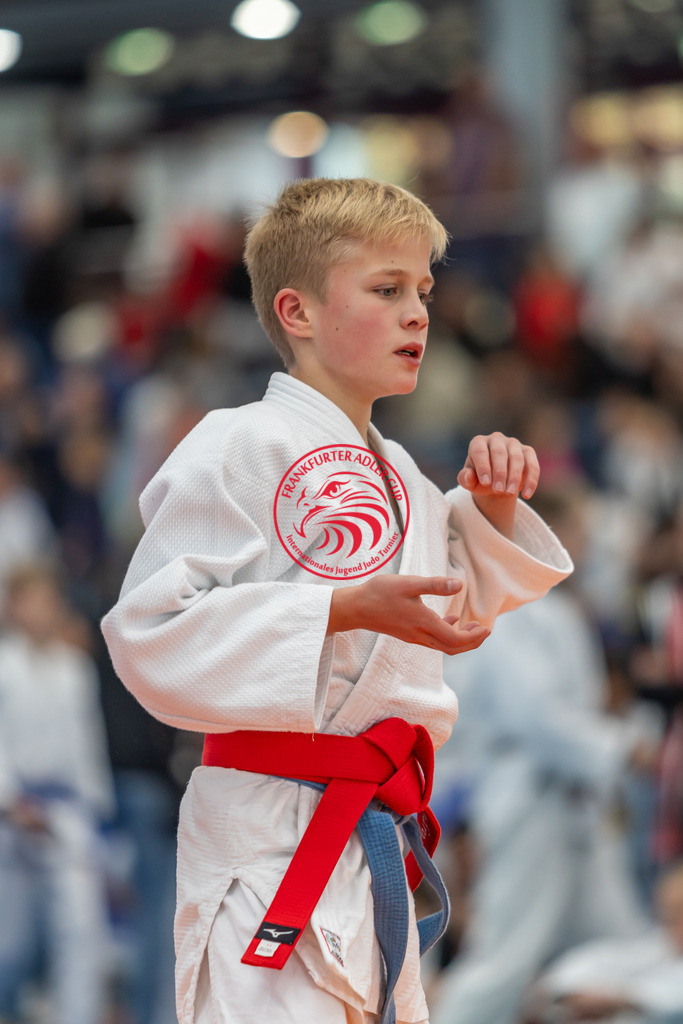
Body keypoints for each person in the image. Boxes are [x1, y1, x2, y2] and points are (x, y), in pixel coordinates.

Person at [101, 177, 573, 1024]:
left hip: (373, 834)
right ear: (298, 311)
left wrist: (491, 507)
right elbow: (149, 633)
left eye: (423, 291)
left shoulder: (405, 479)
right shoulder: (238, 441)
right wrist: (337, 609)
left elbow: (450, 618)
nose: (418, 314)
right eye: (386, 290)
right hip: (266, 837)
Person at [430, 487, 653, 1024]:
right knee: (504, 963)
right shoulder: (513, 612)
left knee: (624, 951)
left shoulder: (553, 609)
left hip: (572, 807)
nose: (586, 543)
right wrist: (623, 747)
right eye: (578, 529)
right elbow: (538, 720)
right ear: (551, 534)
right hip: (531, 801)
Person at [0, 564, 114, 1024]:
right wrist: (10, 801)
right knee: (12, 937)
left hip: (68, 810)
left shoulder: (76, 667)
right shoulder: (4, 665)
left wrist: (99, 811)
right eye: (30, 600)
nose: (40, 610)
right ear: (13, 605)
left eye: (48, 600)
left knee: (79, 932)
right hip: (14, 812)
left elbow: (88, 741)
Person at [530, 860, 683, 1024]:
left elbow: (672, 998)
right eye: (667, 915)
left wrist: (624, 1002)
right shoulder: (659, 945)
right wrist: (565, 992)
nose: (670, 922)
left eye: (677, 912)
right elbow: (601, 958)